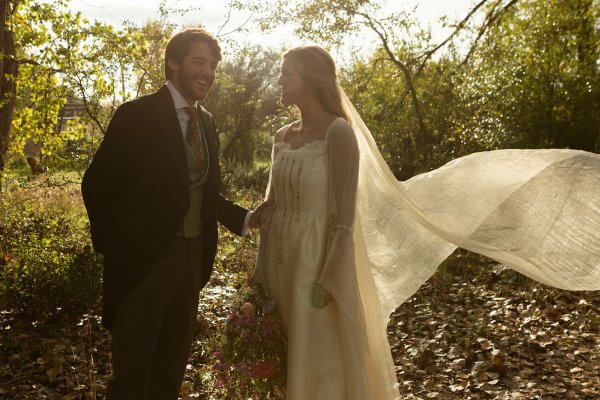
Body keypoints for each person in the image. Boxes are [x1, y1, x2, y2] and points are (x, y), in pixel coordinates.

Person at [250, 45, 600, 400]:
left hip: (317, 261)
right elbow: (272, 205)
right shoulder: (282, 136)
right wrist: (258, 263)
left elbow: (343, 216)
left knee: (318, 354)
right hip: (283, 259)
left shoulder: (338, 132)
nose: (279, 80)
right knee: (282, 348)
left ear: (310, 79)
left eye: (286, 73)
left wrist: (331, 274)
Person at [82, 29, 252, 400]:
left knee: (170, 369)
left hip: (192, 261)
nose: (208, 72)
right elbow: (96, 186)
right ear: (174, 63)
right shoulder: (138, 115)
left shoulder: (205, 121)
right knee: (132, 375)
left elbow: (203, 191)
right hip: (145, 263)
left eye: (212, 65)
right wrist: (119, 248)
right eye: (198, 62)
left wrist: (246, 218)